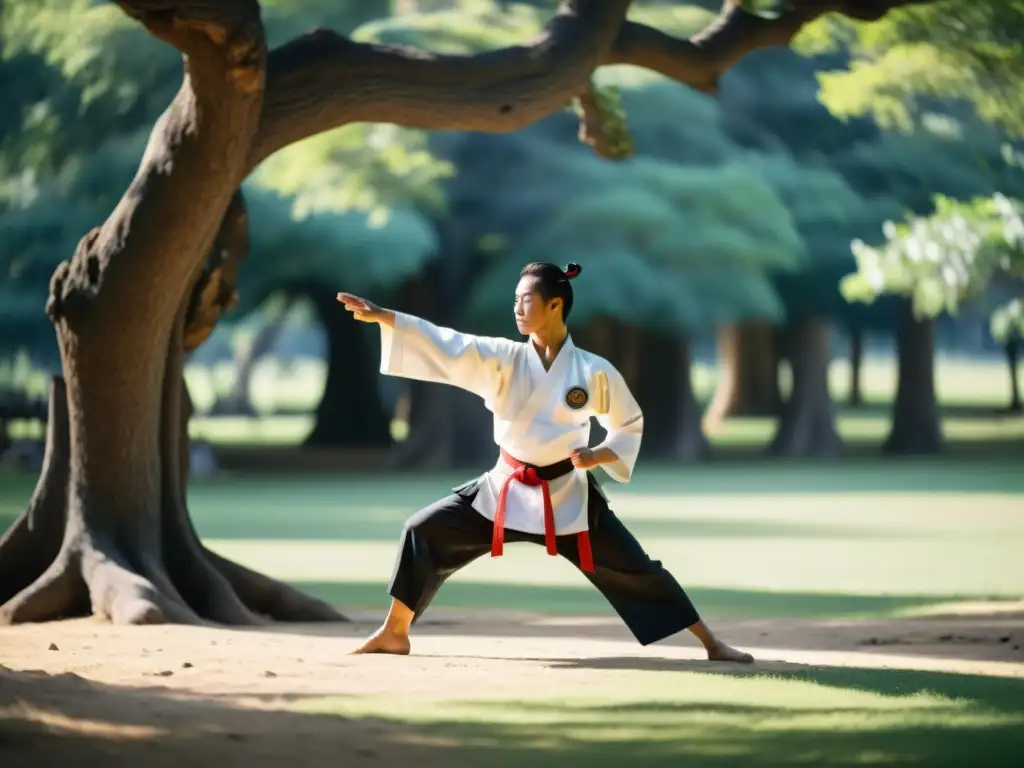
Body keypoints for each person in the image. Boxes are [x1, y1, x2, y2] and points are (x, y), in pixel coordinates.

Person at [337, 261, 753, 663]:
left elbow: (628, 423)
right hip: (504, 490)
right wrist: (386, 317)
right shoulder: (503, 357)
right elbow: (449, 343)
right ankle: (395, 632)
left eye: (526, 300)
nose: (517, 309)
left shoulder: (592, 370)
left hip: (567, 495)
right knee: (421, 530)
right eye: (515, 301)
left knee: (637, 568)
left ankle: (712, 643)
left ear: (555, 304)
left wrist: (598, 454)